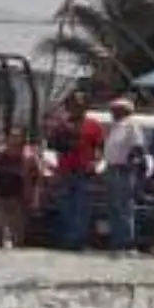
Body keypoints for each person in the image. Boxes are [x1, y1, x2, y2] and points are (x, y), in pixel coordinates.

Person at [46, 90, 106, 251]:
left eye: (80, 105)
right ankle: (67, 239)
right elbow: (52, 146)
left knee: (83, 208)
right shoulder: (61, 125)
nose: (77, 108)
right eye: (73, 105)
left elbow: (100, 148)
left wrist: (95, 162)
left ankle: (78, 242)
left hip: (84, 172)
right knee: (65, 207)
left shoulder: (94, 126)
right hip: (65, 171)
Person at [0, 128, 41, 249]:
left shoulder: (29, 158)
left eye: (17, 136)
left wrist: (35, 199)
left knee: (18, 236)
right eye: (11, 136)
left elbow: (36, 179)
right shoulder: (0, 155)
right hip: (0, 198)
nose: (14, 140)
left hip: (18, 200)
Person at [101, 98, 146, 253]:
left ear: (124, 110)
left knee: (124, 207)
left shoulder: (131, 125)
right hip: (111, 168)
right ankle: (116, 240)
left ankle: (126, 242)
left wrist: (129, 164)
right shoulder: (115, 126)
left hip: (123, 170)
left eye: (115, 109)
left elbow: (137, 147)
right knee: (113, 206)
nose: (112, 112)